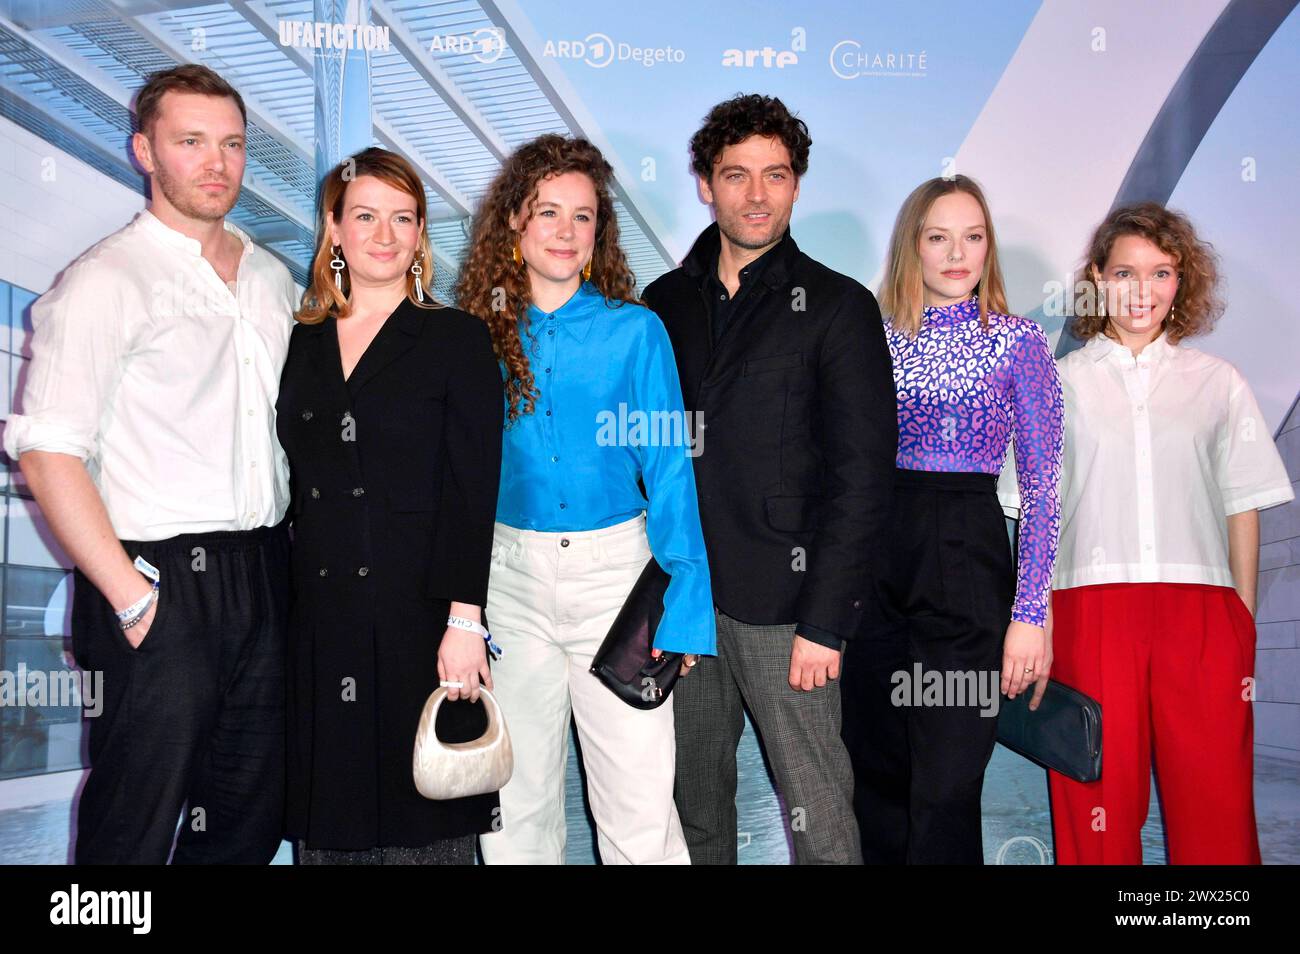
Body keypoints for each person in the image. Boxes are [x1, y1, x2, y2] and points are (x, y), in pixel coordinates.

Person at [3, 65, 298, 864]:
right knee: (131, 826)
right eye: (191, 141)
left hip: (267, 572)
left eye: (232, 143)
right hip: (156, 578)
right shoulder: (106, 279)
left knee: (247, 819)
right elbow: (48, 447)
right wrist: (132, 598)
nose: (217, 162)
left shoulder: (274, 279)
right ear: (145, 151)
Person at [642, 94, 896, 865]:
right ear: (704, 185)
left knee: (819, 817)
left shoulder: (839, 305)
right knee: (692, 815)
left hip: (791, 611)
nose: (756, 194)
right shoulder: (661, 304)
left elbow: (863, 479)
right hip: (680, 601)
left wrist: (827, 622)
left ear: (796, 185)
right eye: (736, 175)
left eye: (775, 175)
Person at [458, 134, 714, 865]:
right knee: (515, 806)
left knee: (638, 805)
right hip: (508, 585)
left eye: (583, 217)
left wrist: (687, 607)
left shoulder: (638, 332)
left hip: (617, 579)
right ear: (513, 221)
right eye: (547, 213)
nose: (566, 233)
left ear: (600, 230)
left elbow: (670, 471)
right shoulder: (473, 334)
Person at [1036, 203, 1292, 864]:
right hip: (1087, 613)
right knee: (1094, 815)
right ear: (1097, 277)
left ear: (1182, 281)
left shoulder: (1219, 384)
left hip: (1203, 616)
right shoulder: (1055, 385)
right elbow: (1036, 516)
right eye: (1125, 272)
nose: (1143, 291)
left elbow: (1244, 505)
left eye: (1161, 272)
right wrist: (1035, 623)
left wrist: (1240, 619)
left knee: (1217, 816)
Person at [276, 147, 503, 864]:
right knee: (333, 819)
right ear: (333, 229)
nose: (384, 235)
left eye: (402, 218)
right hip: (317, 620)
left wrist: (465, 621)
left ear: (419, 234)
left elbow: (473, 490)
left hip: (419, 617)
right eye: (365, 216)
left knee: (422, 822)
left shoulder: (455, 336)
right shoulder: (298, 339)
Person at [840, 174, 1064, 864]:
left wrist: (1031, 613)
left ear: (988, 246)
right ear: (914, 246)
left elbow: (1043, 487)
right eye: (939, 237)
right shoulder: (871, 339)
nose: (957, 253)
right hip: (877, 560)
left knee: (946, 787)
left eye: (973, 236)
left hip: (968, 558)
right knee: (877, 779)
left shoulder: (1019, 342)